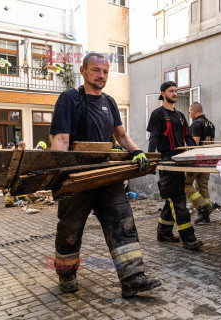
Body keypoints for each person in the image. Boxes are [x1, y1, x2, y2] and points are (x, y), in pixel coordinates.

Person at [49, 52, 160, 297]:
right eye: (96, 70)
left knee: (123, 222)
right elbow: (61, 139)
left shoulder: (109, 102)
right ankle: (66, 273)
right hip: (77, 177)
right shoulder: (69, 98)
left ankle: (132, 278)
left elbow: (120, 136)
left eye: (106, 71)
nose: (101, 75)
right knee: (70, 229)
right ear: (83, 70)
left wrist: (138, 151)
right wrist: (58, 177)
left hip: (106, 176)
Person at [147, 81, 203, 250]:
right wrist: (152, 159)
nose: (175, 93)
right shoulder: (157, 114)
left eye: (176, 91)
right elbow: (154, 138)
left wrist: (196, 154)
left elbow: (188, 138)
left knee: (173, 198)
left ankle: (163, 232)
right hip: (167, 163)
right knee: (178, 200)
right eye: (171, 91)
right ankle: (188, 238)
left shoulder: (180, 116)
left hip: (179, 162)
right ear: (163, 93)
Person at [185, 102, 215, 224]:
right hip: (207, 160)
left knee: (185, 184)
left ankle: (203, 208)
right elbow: (212, 143)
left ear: (194, 111)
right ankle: (205, 217)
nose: (190, 114)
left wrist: (187, 159)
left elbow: (194, 144)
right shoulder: (210, 124)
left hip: (196, 160)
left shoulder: (196, 124)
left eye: (190, 112)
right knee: (202, 186)